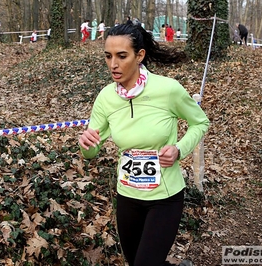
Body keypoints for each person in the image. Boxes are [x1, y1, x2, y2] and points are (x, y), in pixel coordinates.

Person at [78, 23, 209, 266]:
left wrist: (179, 149)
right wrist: (86, 144)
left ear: (140, 56)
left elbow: (200, 122)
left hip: (165, 198)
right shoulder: (106, 97)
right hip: (127, 196)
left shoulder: (168, 89)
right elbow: (92, 150)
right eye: (108, 56)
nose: (113, 64)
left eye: (121, 56)